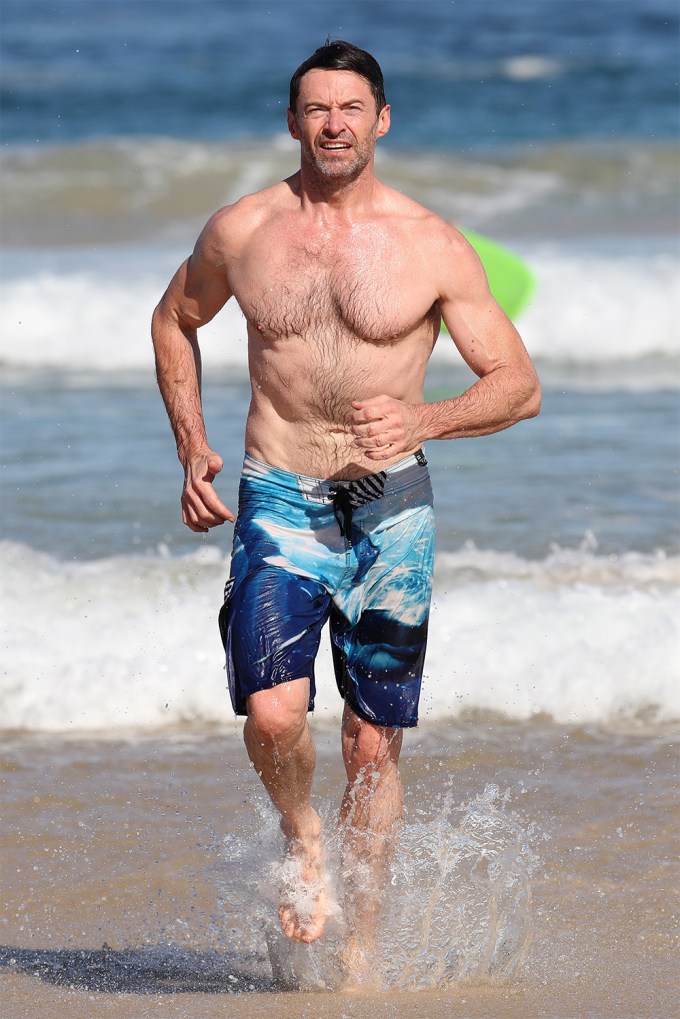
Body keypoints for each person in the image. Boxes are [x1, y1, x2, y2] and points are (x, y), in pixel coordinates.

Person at [151, 40, 540, 982]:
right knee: (275, 716)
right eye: (317, 109)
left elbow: (518, 386)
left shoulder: (431, 244)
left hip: (389, 508)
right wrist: (191, 443)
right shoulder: (242, 230)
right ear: (293, 122)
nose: (334, 123)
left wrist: (425, 417)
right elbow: (174, 320)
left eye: (351, 107)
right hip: (278, 494)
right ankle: (301, 835)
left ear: (382, 120)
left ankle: (360, 952)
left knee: (373, 741)